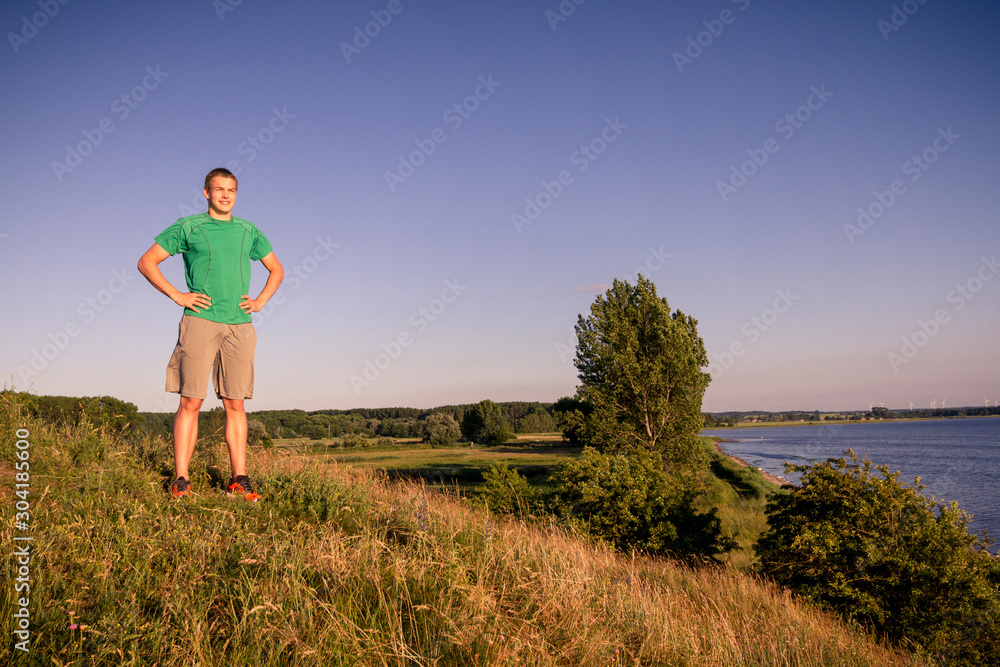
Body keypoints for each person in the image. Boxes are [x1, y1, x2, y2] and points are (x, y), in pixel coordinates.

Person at [138, 167, 284, 501]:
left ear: (236, 194)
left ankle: (239, 479)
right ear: (206, 192)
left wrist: (260, 300)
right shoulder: (189, 227)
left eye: (231, 190)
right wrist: (178, 295)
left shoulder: (249, 231)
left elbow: (277, 269)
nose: (225, 195)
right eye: (219, 189)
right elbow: (147, 262)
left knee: (236, 403)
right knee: (191, 400)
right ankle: (181, 480)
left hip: (240, 325)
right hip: (200, 320)